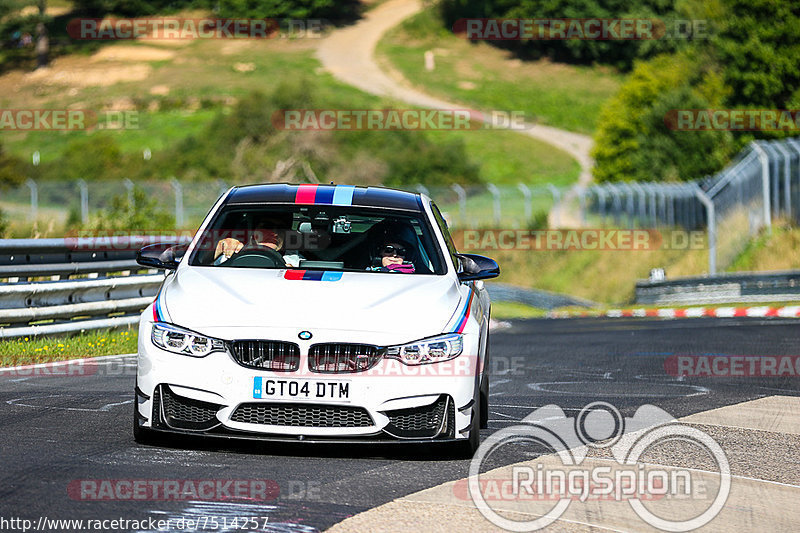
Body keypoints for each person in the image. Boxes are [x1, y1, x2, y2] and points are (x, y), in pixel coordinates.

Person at [214, 213, 301, 267]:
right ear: (252, 231)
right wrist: (219, 246)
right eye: (267, 226)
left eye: (281, 229)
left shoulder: (301, 264)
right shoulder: (228, 256)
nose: (275, 233)